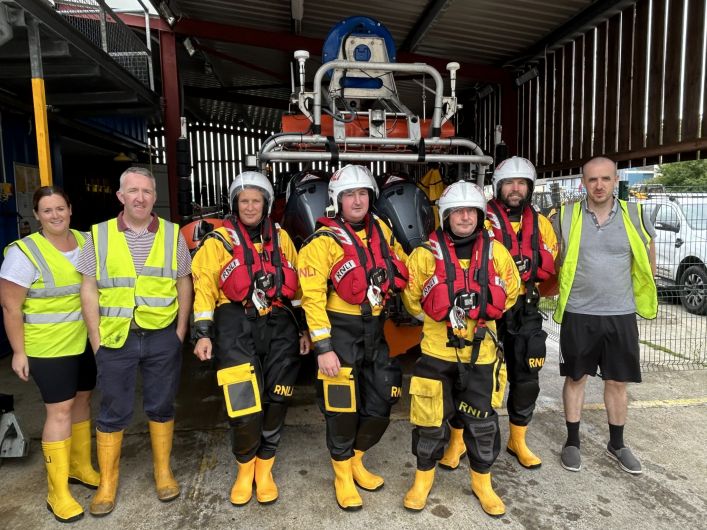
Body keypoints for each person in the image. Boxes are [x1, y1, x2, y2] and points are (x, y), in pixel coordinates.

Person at [77, 167, 193, 516]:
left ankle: (163, 471)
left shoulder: (174, 235)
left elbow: (184, 283)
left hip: (162, 335)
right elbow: (88, 288)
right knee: (113, 411)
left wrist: (180, 331)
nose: (140, 197)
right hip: (115, 338)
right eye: (133, 191)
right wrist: (95, 337)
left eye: (146, 191)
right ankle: (108, 483)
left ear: (154, 197)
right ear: (120, 196)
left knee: (161, 404)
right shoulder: (97, 236)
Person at [192, 171, 310, 506]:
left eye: (256, 200)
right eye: (244, 200)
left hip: (279, 324)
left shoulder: (283, 239)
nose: (250, 206)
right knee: (242, 401)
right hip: (233, 323)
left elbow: (298, 289)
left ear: (266, 204)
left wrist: (303, 328)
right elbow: (204, 289)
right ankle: (245, 468)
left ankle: (264, 468)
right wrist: (203, 332)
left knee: (278, 396)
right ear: (234, 203)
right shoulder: (217, 242)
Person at [401, 181, 519, 516]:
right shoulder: (424, 255)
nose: (464, 217)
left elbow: (510, 292)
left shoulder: (497, 253)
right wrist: (441, 316)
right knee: (430, 422)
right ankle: (423, 479)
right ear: (447, 215)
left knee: (482, 423)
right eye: (458, 211)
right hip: (436, 354)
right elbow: (411, 300)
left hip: (481, 354)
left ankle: (482, 482)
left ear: (479, 215)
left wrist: (478, 313)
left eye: (471, 211)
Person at [298, 164, 408, 511]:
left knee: (382, 400)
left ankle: (357, 459)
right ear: (337, 201)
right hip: (339, 331)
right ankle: (342, 473)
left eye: (363, 193)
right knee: (341, 407)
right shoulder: (322, 242)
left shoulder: (383, 231)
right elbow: (312, 299)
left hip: (375, 329)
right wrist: (324, 348)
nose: (357, 200)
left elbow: (404, 265)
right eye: (350, 195)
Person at [0, 186, 99, 523]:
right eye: (47, 210)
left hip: (84, 340)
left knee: (84, 401)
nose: (55, 215)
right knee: (59, 411)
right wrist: (18, 352)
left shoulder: (87, 242)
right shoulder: (24, 252)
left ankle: (80, 466)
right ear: (37, 215)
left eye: (60, 208)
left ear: (70, 209)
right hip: (48, 346)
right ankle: (56, 491)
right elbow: (10, 306)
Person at [554, 156, 657, 475]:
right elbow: (555, 259)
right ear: (583, 183)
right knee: (575, 378)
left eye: (605, 179)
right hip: (578, 313)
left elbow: (648, 264)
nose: (599, 185)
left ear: (615, 181)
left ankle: (618, 444)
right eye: (592, 179)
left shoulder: (636, 215)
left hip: (620, 314)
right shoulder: (565, 215)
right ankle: (572, 442)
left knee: (617, 381)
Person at [462, 156, 556, 471]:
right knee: (475, 374)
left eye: (521, 184)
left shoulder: (541, 223)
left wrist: (533, 271)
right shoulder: (479, 218)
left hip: (525, 306)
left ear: (529, 188)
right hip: (487, 306)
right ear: (497, 186)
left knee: (527, 373)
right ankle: (460, 438)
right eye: (509, 183)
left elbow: (552, 261)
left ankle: (518, 438)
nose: (515, 189)